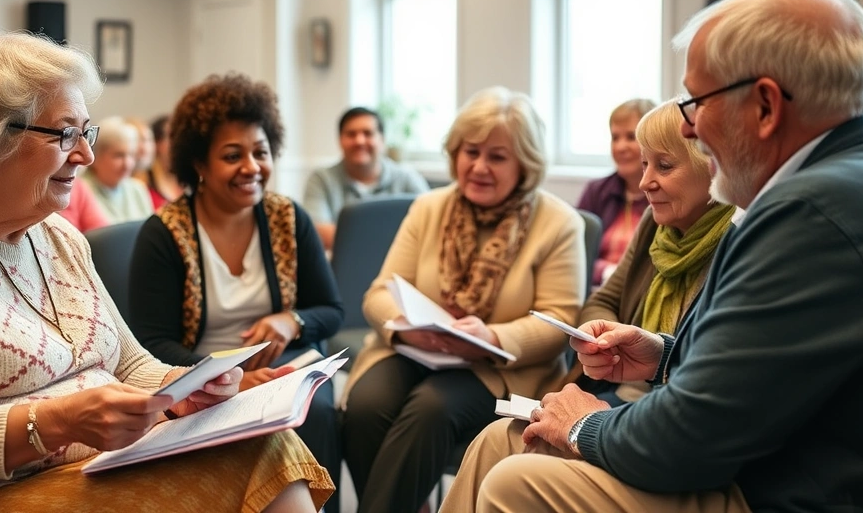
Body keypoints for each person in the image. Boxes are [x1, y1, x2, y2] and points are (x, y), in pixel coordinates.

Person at [441, 0, 863, 513]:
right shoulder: (837, 184)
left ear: (765, 106)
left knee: (518, 481)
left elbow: (687, 440)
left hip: (775, 490)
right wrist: (665, 356)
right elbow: (762, 378)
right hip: (754, 460)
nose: (690, 128)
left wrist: (585, 425)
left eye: (697, 102)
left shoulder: (807, 212)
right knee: (501, 442)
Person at [0, 32, 333, 512]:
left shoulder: (59, 238)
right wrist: (58, 422)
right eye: (64, 134)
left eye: (86, 132)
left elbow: (131, 366)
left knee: (265, 445)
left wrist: (184, 389)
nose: (84, 155)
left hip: (91, 467)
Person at [341, 87, 586, 513]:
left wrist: (490, 334)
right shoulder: (428, 207)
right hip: (414, 349)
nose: (478, 167)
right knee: (365, 406)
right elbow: (379, 292)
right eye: (470, 151)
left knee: (430, 410)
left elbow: (558, 322)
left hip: (497, 368)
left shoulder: (559, 223)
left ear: (525, 163)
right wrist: (405, 329)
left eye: (497, 156)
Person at [127, 73, 345, 512]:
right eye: (233, 155)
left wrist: (293, 320)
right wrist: (231, 379)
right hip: (195, 381)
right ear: (200, 165)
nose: (252, 167)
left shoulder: (287, 218)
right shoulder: (165, 234)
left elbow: (332, 309)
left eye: (260, 152)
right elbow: (151, 345)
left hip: (282, 367)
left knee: (315, 410)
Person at [569, 99, 735, 407]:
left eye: (664, 166)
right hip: (630, 394)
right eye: (645, 164)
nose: (645, 183)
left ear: (711, 165)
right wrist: (604, 339)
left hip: (674, 406)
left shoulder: (736, 236)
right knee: (504, 434)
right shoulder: (655, 224)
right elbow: (603, 301)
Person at [303, 106, 431, 250]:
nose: (359, 141)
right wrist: (392, 240)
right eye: (351, 134)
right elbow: (318, 232)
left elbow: (430, 225)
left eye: (368, 133)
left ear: (382, 140)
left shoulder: (407, 178)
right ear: (340, 140)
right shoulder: (321, 179)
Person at [576, 99, 656, 285]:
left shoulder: (666, 193)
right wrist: (606, 272)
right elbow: (574, 255)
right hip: (597, 291)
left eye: (630, 137)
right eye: (615, 137)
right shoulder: (596, 191)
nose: (620, 147)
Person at [81, 115, 155, 223]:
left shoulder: (138, 189)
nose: (127, 164)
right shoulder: (80, 191)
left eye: (131, 155)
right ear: (96, 156)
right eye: (119, 155)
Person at [137, 114, 184, 209]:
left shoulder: (185, 179)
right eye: (172, 136)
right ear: (157, 143)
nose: (179, 141)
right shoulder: (142, 180)